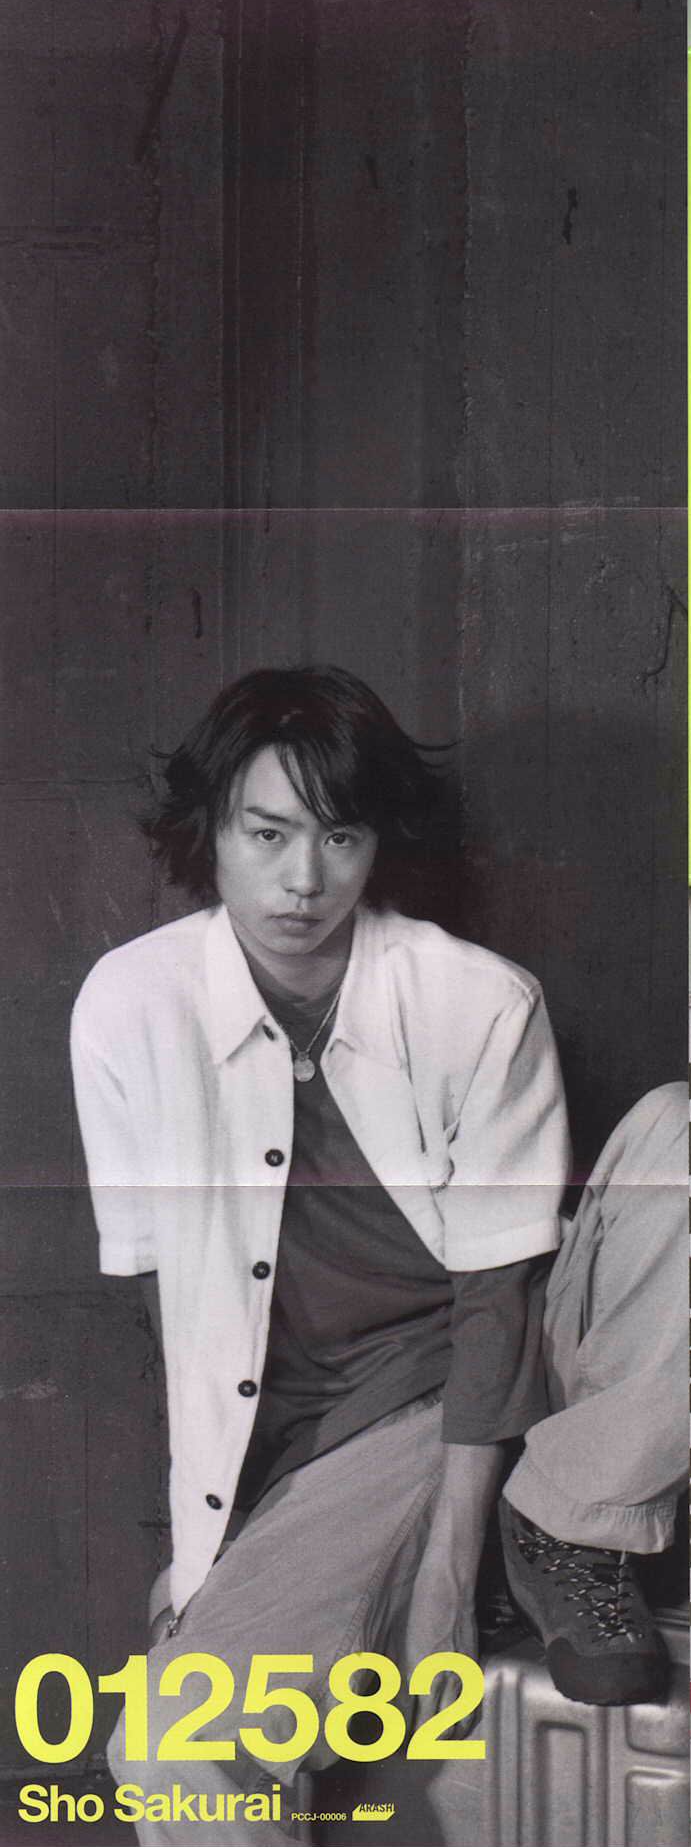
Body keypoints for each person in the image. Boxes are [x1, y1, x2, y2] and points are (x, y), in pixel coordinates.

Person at [70, 667, 685, 1845]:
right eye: (267, 834)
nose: (303, 879)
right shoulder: (129, 1007)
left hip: (522, 1359)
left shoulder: (475, 1000)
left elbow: (496, 1296)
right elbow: (172, 1315)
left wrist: (447, 1568)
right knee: (169, 1747)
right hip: (344, 1435)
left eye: (338, 836)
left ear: (374, 844)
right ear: (211, 831)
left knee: (679, 1129)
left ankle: (567, 1521)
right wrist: (213, 1558)